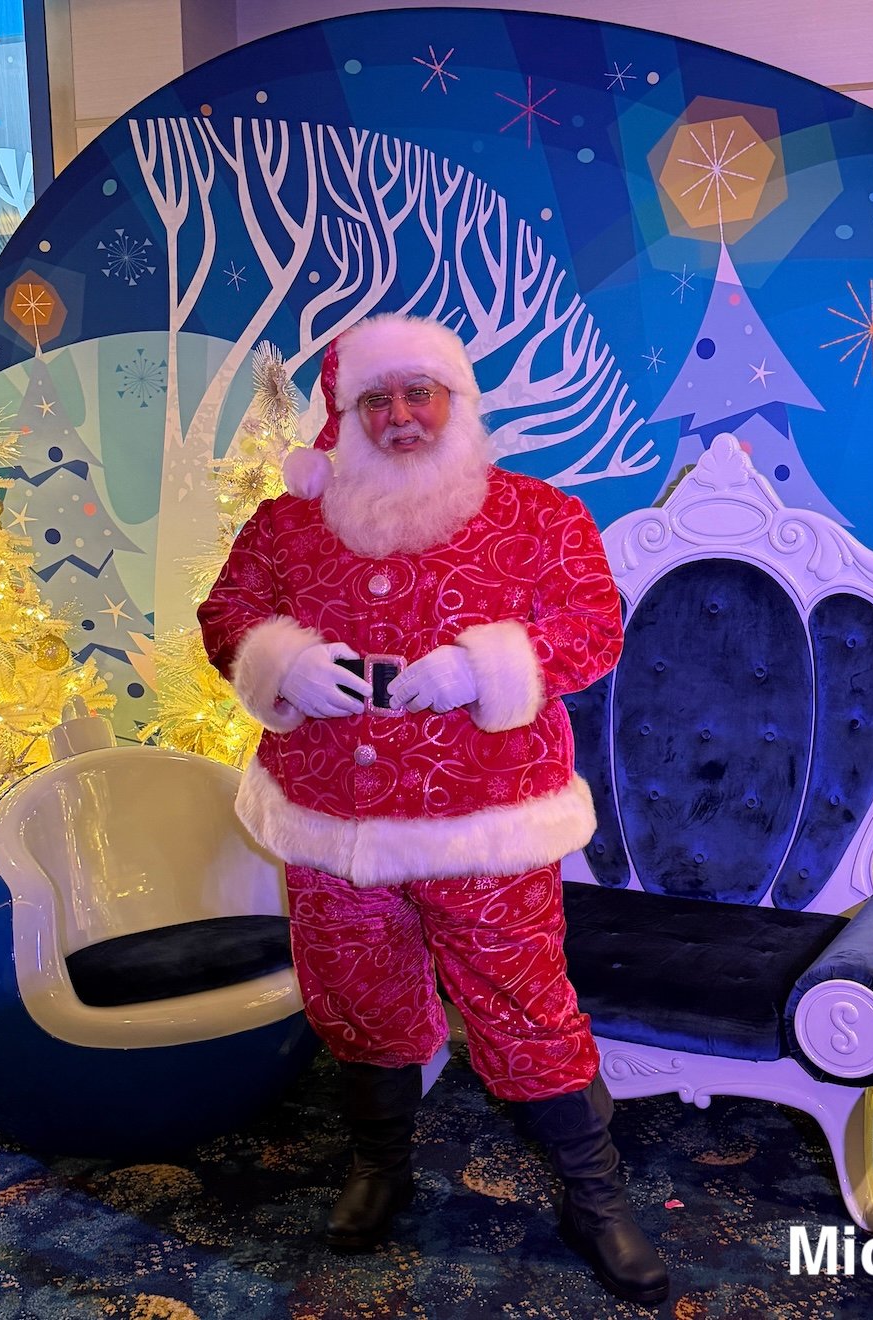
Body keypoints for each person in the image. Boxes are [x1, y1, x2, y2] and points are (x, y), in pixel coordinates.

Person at [197, 313, 668, 1305]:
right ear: (345, 413)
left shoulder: (539, 515)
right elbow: (227, 613)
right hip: (330, 822)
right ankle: (380, 1165)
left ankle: (594, 1196)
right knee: (359, 1004)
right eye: (378, 398)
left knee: (527, 1010)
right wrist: (281, 663)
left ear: (457, 404)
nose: (401, 415)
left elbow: (593, 627)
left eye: (422, 394)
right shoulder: (286, 526)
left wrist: (480, 668)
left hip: (485, 826)